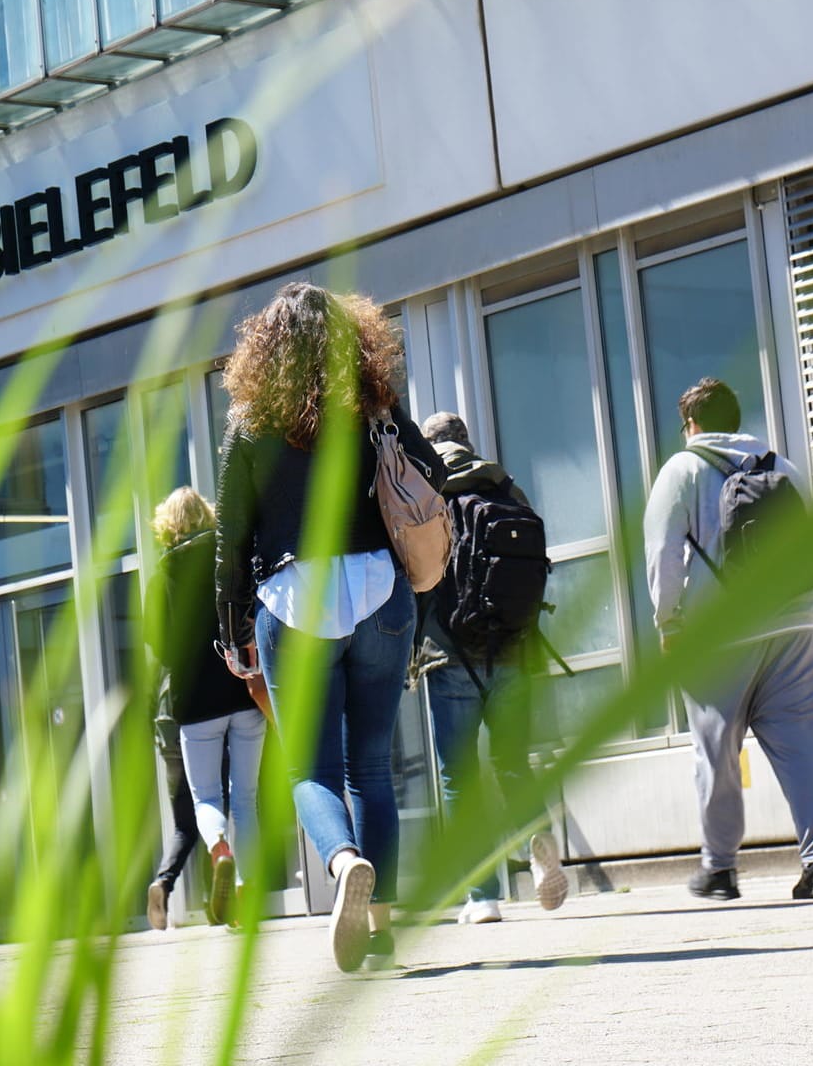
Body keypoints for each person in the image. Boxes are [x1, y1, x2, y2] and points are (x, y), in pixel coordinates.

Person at [215, 282, 446, 973]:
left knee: (310, 769)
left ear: (266, 346)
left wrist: (231, 627)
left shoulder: (253, 421)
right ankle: (380, 929)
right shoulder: (375, 407)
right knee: (372, 767)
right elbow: (430, 475)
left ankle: (344, 863)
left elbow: (231, 535)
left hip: (295, 599)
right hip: (382, 592)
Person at [643, 377, 813, 902]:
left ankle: (721, 870)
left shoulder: (681, 471)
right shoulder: (783, 467)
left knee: (716, 754)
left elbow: (663, 555)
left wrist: (670, 626)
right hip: (794, 630)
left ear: (692, 425)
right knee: (808, 749)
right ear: (736, 417)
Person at [412, 411, 569, 925]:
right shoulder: (507, 490)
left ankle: (483, 898)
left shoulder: (428, 496)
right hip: (513, 649)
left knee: (460, 777)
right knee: (512, 763)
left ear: (431, 448)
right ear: (467, 443)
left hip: (451, 653)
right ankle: (539, 837)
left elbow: (419, 580)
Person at [146, 486, 263, 928]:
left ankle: (219, 849)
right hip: (241, 690)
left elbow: (158, 645)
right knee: (247, 799)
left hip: (194, 704)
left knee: (206, 796)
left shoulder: (161, 577)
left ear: (167, 525)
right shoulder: (224, 562)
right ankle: (246, 887)